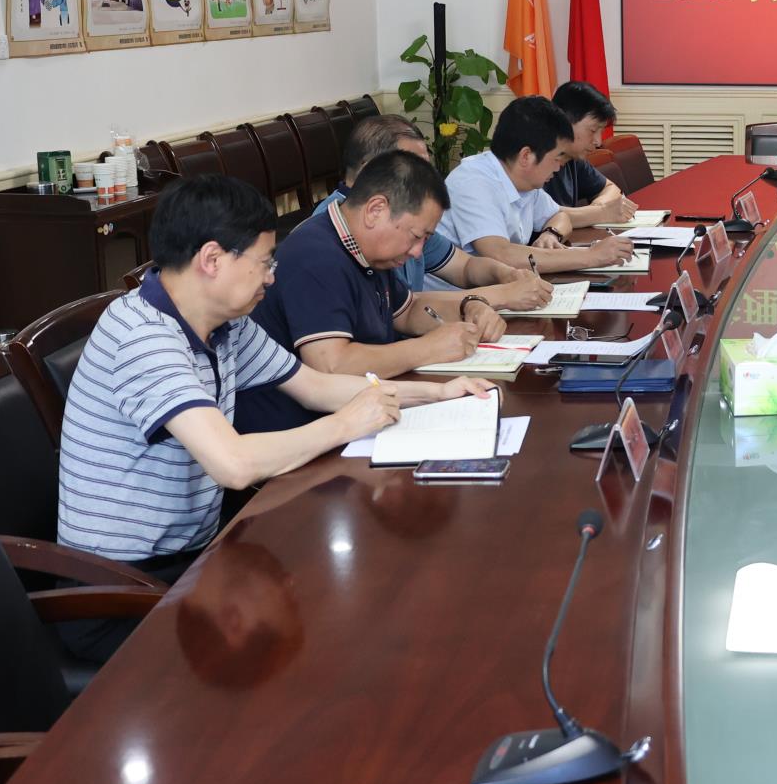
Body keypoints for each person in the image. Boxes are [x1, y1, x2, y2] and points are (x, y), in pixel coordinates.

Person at [57, 175, 492, 649]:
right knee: (328, 622)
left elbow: (315, 387)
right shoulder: (144, 338)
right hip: (120, 592)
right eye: (264, 263)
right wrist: (345, 425)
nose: (271, 277)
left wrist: (437, 394)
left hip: (195, 558)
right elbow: (233, 464)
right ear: (212, 260)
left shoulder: (224, 324)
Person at [236, 151, 512, 433]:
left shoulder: (367, 250)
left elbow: (406, 311)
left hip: (356, 414)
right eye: (417, 237)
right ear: (375, 210)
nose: (418, 252)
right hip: (295, 433)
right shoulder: (315, 256)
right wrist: (428, 348)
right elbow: (331, 366)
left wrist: (469, 306)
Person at [314, 112, 550, 307]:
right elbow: (403, 309)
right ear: (370, 170)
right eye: (412, 167)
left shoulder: (407, 215)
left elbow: (464, 267)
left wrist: (505, 274)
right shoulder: (341, 226)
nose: (425, 178)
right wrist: (500, 296)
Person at [439, 95, 635, 275]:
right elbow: (500, 255)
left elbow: (559, 215)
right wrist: (592, 256)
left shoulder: (523, 182)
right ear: (526, 156)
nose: (558, 167)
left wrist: (551, 234)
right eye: (556, 158)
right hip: (459, 299)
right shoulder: (474, 181)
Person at [546, 81, 638, 227]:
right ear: (564, 123)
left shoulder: (573, 158)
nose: (598, 141)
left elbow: (611, 189)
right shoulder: (536, 159)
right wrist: (601, 213)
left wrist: (598, 210)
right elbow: (543, 215)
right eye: (593, 130)